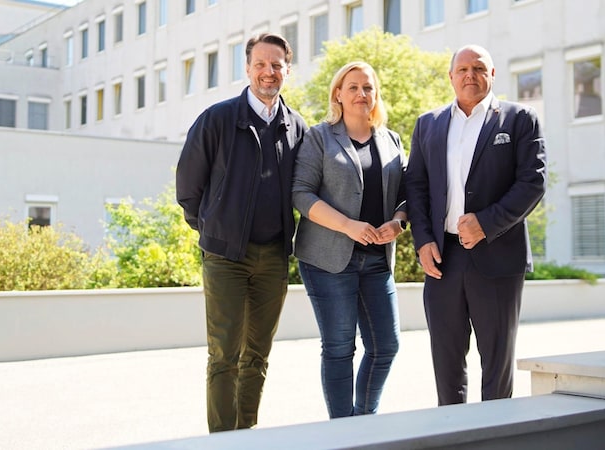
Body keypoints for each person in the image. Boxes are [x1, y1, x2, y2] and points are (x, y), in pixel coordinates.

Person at [175, 33, 307, 432]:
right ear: (247, 68)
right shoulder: (217, 119)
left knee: (258, 356)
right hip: (225, 258)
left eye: (277, 65)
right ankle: (222, 440)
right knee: (224, 355)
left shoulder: (296, 126)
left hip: (273, 259)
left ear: (287, 69)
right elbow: (188, 187)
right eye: (261, 64)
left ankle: (245, 434)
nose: (269, 72)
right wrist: (215, 227)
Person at [405, 44, 546, 405]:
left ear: (493, 75)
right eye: (463, 69)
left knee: (496, 363)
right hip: (442, 260)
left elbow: (532, 183)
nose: (471, 75)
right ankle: (453, 435)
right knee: (446, 362)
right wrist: (422, 241)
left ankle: (496, 437)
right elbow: (416, 187)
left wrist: (486, 223)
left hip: (497, 257)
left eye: (479, 68)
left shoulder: (519, 119)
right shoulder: (428, 124)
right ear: (451, 77)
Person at [292, 61, 407, 419]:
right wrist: (347, 225)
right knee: (340, 348)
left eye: (368, 87)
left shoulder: (391, 141)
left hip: (376, 261)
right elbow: (301, 193)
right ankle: (342, 431)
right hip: (327, 260)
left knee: (386, 345)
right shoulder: (319, 137)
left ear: (376, 94)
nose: (361, 94)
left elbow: (408, 196)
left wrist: (399, 223)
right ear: (338, 94)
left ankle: (363, 418)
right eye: (353, 87)